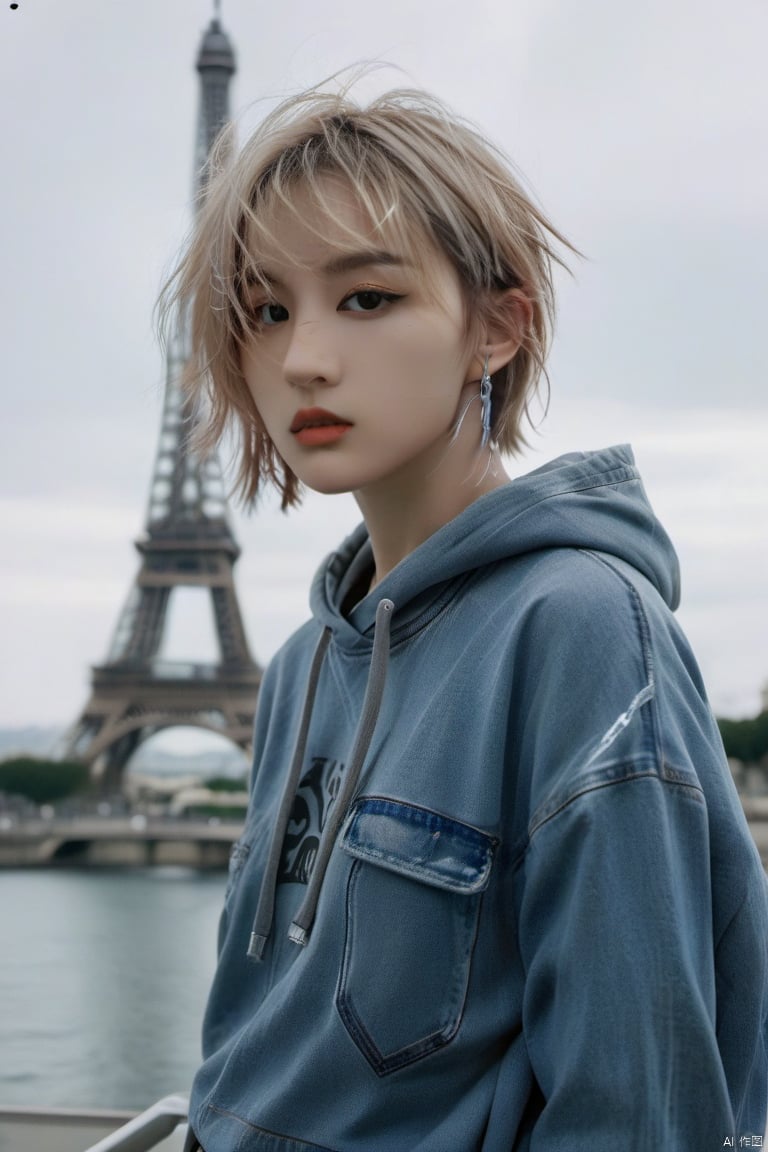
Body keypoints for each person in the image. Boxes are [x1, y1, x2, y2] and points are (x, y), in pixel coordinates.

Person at [163, 78, 768, 1151]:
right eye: (265, 310)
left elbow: (638, 1112)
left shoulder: (581, 631)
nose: (302, 356)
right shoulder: (303, 665)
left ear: (497, 324)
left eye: (366, 299)